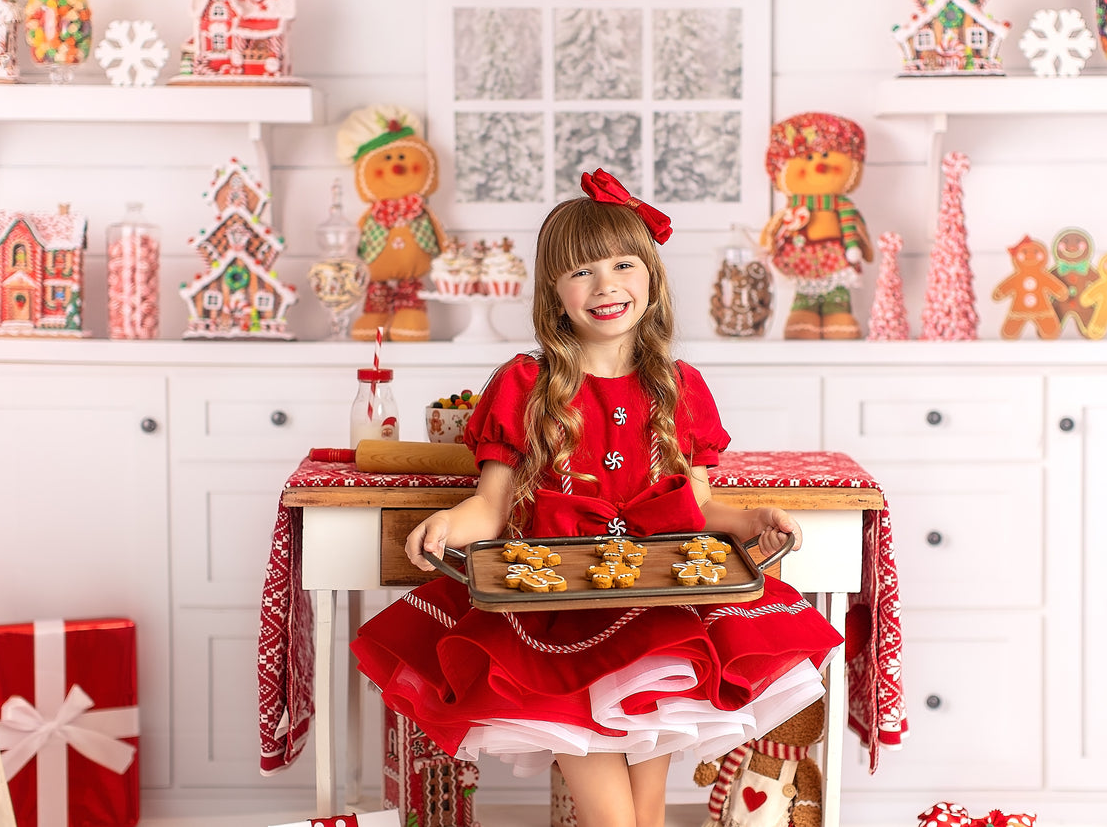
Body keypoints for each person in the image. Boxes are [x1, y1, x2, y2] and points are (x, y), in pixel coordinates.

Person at [351, 168, 844, 827]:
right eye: (582, 272)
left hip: (659, 610)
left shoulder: (678, 385)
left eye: (622, 264)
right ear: (554, 292)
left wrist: (750, 517)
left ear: (650, 277)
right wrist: (446, 522)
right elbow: (491, 508)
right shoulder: (525, 383)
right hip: (557, 614)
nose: (606, 284)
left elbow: (696, 507)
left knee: (647, 817)